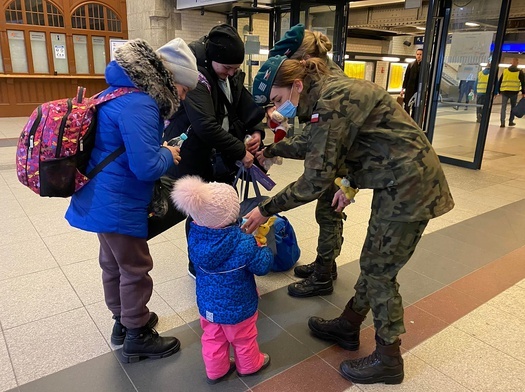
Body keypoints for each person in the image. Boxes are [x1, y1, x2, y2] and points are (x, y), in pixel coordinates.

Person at [246, 55, 454, 385]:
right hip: (396, 178)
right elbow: (340, 143)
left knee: (379, 271)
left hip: (409, 184)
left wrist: (265, 209)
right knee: (375, 263)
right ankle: (350, 324)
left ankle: (389, 359)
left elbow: (314, 181)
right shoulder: (328, 94)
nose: (277, 110)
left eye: (279, 100)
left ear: (297, 85)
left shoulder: (332, 100)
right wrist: (349, 180)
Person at [65, 38, 199, 363]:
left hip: (99, 195)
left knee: (112, 265)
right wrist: (168, 154)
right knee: (135, 267)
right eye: (182, 90)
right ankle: (138, 334)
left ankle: (121, 324)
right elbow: (145, 167)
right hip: (120, 201)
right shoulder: (141, 103)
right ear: (170, 79)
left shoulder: (113, 92)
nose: (181, 99)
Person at [160, 24, 265, 276]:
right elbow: (205, 125)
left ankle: (221, 257)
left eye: (235, 69)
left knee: (224, 208)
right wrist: (241, 151)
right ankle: (197, 264)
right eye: (226, 68)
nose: (230, 73)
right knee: (200, 212)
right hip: (195, 155)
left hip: (221, 156)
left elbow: (247, 107)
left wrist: (257, 132)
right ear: (212, 58)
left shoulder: (229, 75)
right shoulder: (195, 75)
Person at [264, 23, 345, 293]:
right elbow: (311, 139)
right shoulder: (321, 83)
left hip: (359, 167)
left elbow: (313, 177)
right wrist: (272, 149)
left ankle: (323, 275)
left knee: (328, 212)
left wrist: (266, 209)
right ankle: (326, 263)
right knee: (328, 212)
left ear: (304, 62)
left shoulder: (327, 93)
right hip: (343, 160)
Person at [171, 176, 273, 384]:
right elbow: (262, 267)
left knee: (212, 339)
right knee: (244, 338)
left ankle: (216, 370)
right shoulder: (244, 243)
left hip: (208, 307)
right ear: (231, 215)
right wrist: (261, 246)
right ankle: (250, 365)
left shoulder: (195, 237)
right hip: (240, 307)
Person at [496, 57, 525, 127]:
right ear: (517, 63)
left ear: (511, 63)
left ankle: (502, 123)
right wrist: (523, 92)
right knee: (513, 107)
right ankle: (510, 121)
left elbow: (500, 81)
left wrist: (499, 91)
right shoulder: (519, 72)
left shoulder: (505, 71)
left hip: (505, 92)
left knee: (503, 107)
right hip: (514, 92)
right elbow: (523, 83)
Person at [401, 48, 423, 119]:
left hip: (418, 89)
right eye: (417, 54)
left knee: (415, 106)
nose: (418, 56)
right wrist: (403, 89)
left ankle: (413, 119)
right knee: (407, 104)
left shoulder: (425, 66)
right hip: (409, 88)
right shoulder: (411, 65)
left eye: (420, 54)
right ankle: (406, 118)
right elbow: (406, 77)